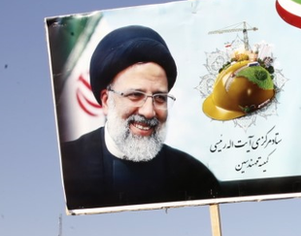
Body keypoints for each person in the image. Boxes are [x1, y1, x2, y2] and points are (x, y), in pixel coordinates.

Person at [59, 25, 219, 211]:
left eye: (160, 98)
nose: (149, 112)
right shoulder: (68, 166)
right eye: (135, 95)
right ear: (105, 101)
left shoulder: (195, 177)